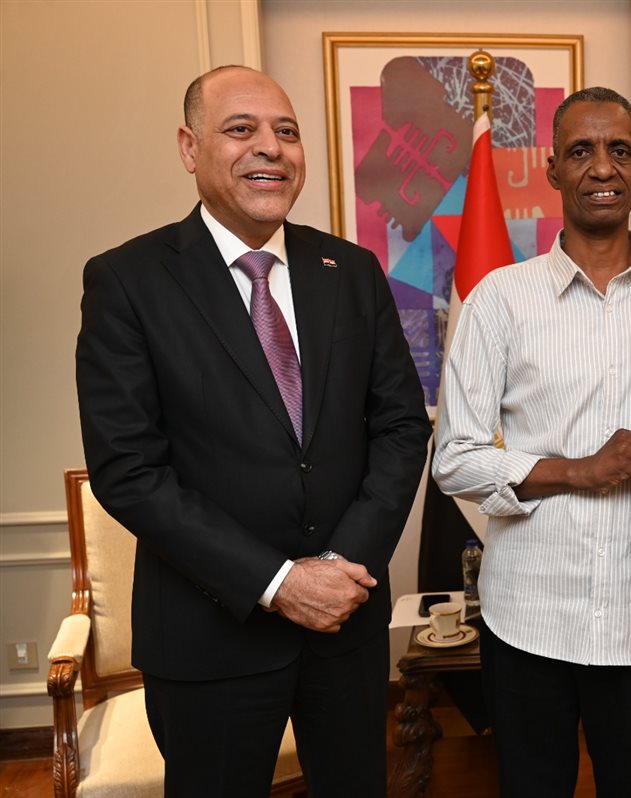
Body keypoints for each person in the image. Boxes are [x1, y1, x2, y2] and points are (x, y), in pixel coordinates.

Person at [75, 65, 431, 797]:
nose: (270, 147)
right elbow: (129, 471)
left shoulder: (352, 270)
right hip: (211, 640)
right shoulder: (128, 281)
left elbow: (401, 427)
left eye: (286, 132)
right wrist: (279, 583)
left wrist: (340, 568)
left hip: (346, 628)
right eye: (241, 129)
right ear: (190, 147)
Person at [432, 87, 631, 797]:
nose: (602, 167)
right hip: (529, 614)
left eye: (619, 150)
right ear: (553, 171)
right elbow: (455, 459)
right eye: (581, 151)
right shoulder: (499, 298)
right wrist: (581, 469)